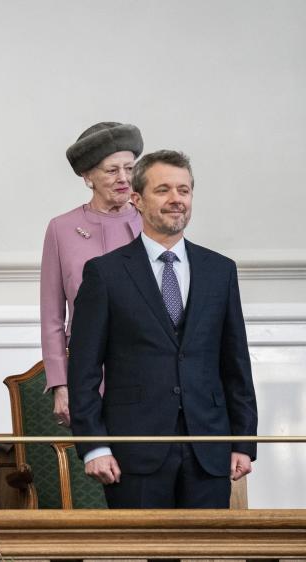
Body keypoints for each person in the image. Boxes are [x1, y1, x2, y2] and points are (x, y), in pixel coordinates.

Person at [68, 150, 257, 508]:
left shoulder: (220, 270)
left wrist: (243, 442)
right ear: (137, 200)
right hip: (133, 452)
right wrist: (95, 445)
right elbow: (83, 370)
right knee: (141, 561)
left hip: (209, 449)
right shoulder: (104, 274)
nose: (176, 200)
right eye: (164, 190)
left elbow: (236, 364)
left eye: (183, 191)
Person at [40, 122, 143, 427]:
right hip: (88, 371)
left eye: (130, 168)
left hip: (147, 371)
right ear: (88, 177)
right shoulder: (61, 228)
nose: (123, 178)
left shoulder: (152, 223)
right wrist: (60, 383)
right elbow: (51, 316)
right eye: (112, 170)